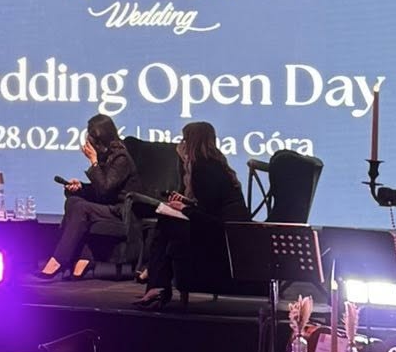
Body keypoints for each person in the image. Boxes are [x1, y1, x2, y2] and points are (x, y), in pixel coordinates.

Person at [136, 120, 249, 309]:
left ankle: (156, 284)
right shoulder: (215, 164)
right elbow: (208, 205)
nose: (181, 144)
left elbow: (209, 216)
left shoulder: (203, 169)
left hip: (223, 234)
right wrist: (186, 202)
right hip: (224, 228)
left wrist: (184, 208)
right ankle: (156, 283)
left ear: (191, 142)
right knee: (167, 222)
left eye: (184, 139)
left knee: (166, 221)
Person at [36, 114, 140, 279]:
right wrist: (80, 187)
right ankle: (82, 258)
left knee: (81, 207)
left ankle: (59, 260)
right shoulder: (106, 155)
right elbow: (100, 189)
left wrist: (93, 161)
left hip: (121, 211)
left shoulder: (121, 158)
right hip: (107, 206)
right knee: (73, 201)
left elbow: (105, 190)